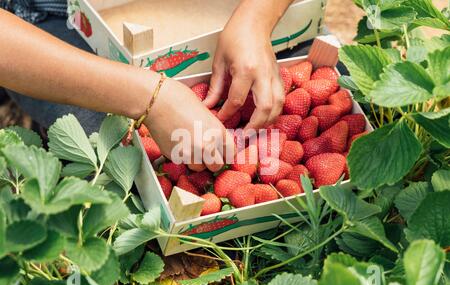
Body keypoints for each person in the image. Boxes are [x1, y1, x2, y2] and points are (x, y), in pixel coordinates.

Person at [0, 0, 295, 171]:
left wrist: (257, 17)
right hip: (51, 22)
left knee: (315, 83)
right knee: (123, 164)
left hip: (227, 10)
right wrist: (151, 98)